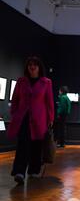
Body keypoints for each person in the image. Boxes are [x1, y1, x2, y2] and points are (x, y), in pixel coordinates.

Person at [7, 56, 54, 184]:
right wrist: (14, 113)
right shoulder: (21, 81)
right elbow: (15, 99)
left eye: (35, 65)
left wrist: (50, 118)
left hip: (39, 120)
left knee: (36, 146)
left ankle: (33, 170)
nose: (32, 67)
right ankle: (19, 172)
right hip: (23, 118)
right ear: (27, 68)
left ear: (39, 67)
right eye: (30, 65)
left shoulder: (46, 82)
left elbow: (49, 102)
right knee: (22, 145)